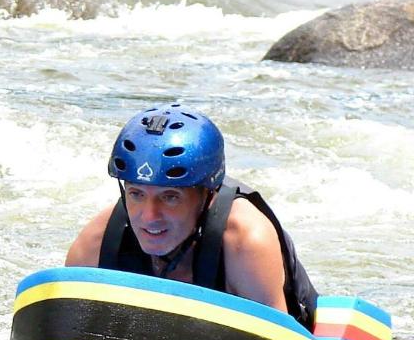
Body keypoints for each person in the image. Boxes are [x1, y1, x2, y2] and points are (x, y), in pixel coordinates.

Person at [65, 104, 319, 328]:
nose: (149, 216)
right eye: (136, 194)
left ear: (208, 195)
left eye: (170, 197)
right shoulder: (97, 243)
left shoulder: (246, 241)